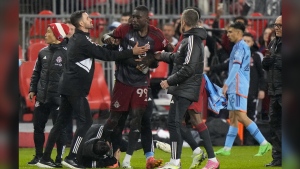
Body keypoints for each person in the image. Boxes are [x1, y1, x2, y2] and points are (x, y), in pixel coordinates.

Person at [36, 10, 148, 168]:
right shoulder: (82, 40)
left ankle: (45, 158)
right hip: (75, 88)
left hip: (68, 86)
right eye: (87, 18)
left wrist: (111, 44)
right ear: (81, 23)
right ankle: (72, 157)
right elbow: (105, 55)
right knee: (85, 122)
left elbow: (98, 49)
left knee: (60, 123)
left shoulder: (81, 39)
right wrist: (132, 52)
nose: (90, 19)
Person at [101, 5, 172, 169]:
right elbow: (105, 36)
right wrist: (109, 39)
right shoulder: (124, 29)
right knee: (116, 121)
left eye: (137, 17)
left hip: (142, 83)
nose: (133, 20)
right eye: (132, 17)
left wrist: (152, 60)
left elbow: (169, 51)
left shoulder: (156, 35)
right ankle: (114, 158)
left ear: (147, 19)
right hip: (123, 82)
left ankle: (149, 158)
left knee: (144, 120)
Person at [153, 9, 207, 169]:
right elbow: (179, 58)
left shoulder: (192, 40)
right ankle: (181, 157)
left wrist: (169, 81)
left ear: (183, 21)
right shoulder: (189, 39)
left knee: (175, 123)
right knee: (173, 122)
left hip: (185, 86)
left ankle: (176, 161)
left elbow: (188, 67)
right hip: (183, 86)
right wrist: (162, 55)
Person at [215, 22, 271, 156]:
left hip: (238, 86)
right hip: (236, 85)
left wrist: (226, 83)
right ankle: (227, 149)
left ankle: (264, 143)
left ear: (238, 33)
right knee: (233, 116)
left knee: (240, 116)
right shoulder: (238, 46)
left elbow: (235, 67)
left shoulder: (240, 47)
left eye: (230, 32)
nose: (227, 34)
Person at [27, 22, 69, 167]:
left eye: (49, 32)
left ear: (58, 35)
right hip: (42, 97)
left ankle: (58, 158)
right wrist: (32, 89)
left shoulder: (68, 53)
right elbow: (36, 72)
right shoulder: (42, 52)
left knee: (60, 129)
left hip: (59, 98)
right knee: (38, 127)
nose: (45, 35)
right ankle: (39, 157)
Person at [262, 15, 282, 167]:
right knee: (274, 125)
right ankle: (278, 158)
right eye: (275, 24)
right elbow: (270, 65)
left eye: (280, 25)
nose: (276, 27)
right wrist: (266, 63)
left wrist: (276, 62)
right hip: (274, 90)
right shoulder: (273, 43)